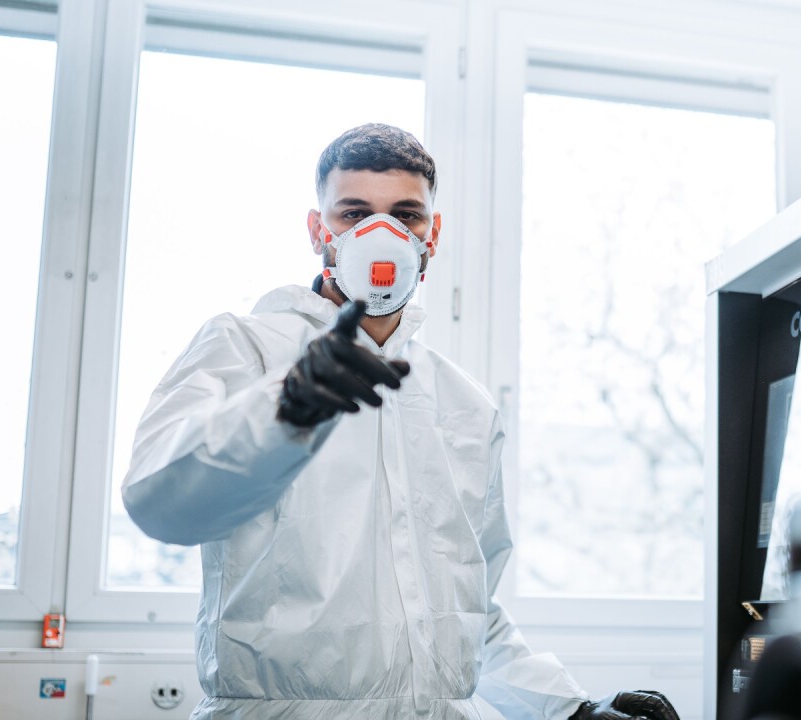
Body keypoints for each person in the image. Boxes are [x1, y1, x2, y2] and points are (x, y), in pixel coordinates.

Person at [122, 123, 680, 720]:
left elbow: (465, 607)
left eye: (406, 215)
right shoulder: (245, 349)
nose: (380, 235)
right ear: (319, 232)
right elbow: (163, 503)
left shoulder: (462, 405)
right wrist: (285, 407)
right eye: (353, 213)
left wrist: (569, 708)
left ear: (430, 235)